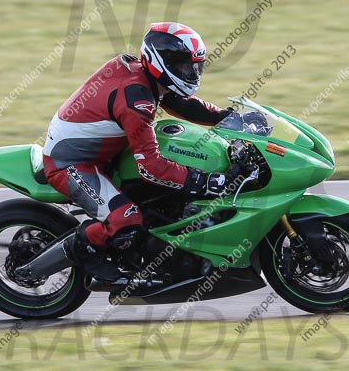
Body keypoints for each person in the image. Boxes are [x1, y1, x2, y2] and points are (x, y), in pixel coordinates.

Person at [41, 22, 237, 281]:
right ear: (161, 60)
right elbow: (151, 167)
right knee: (126, 218)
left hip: (105, 154)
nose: (190, 72)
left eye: (194, 66)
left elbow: (182, 103)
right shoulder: (137, 100)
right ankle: (83, 248)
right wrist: (203, 180)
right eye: (183, 66)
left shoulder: (147, 79)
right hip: (71, 163)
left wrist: (229, 118)